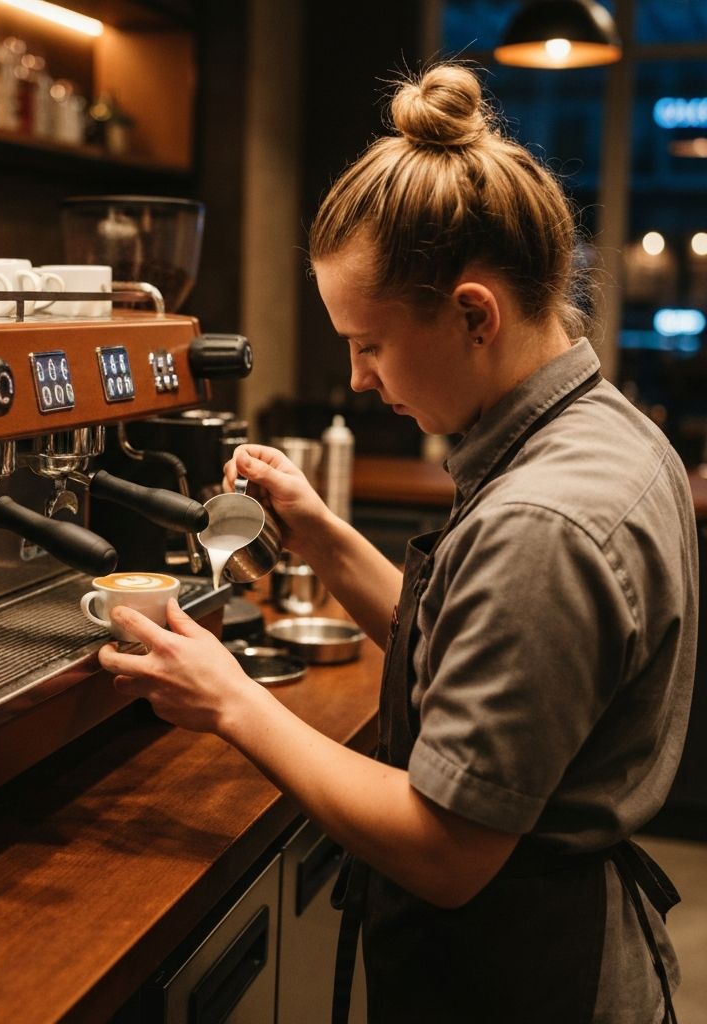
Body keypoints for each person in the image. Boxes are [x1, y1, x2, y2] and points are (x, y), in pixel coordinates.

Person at [98, 62, 697, 1024]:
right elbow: (465, 642)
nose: (360, 379)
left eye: (369, 345)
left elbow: (445, 850)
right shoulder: (605, 432)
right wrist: (323, 534)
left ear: (472, 314)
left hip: (525, 979)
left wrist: (232, 701)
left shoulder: (544, 524)